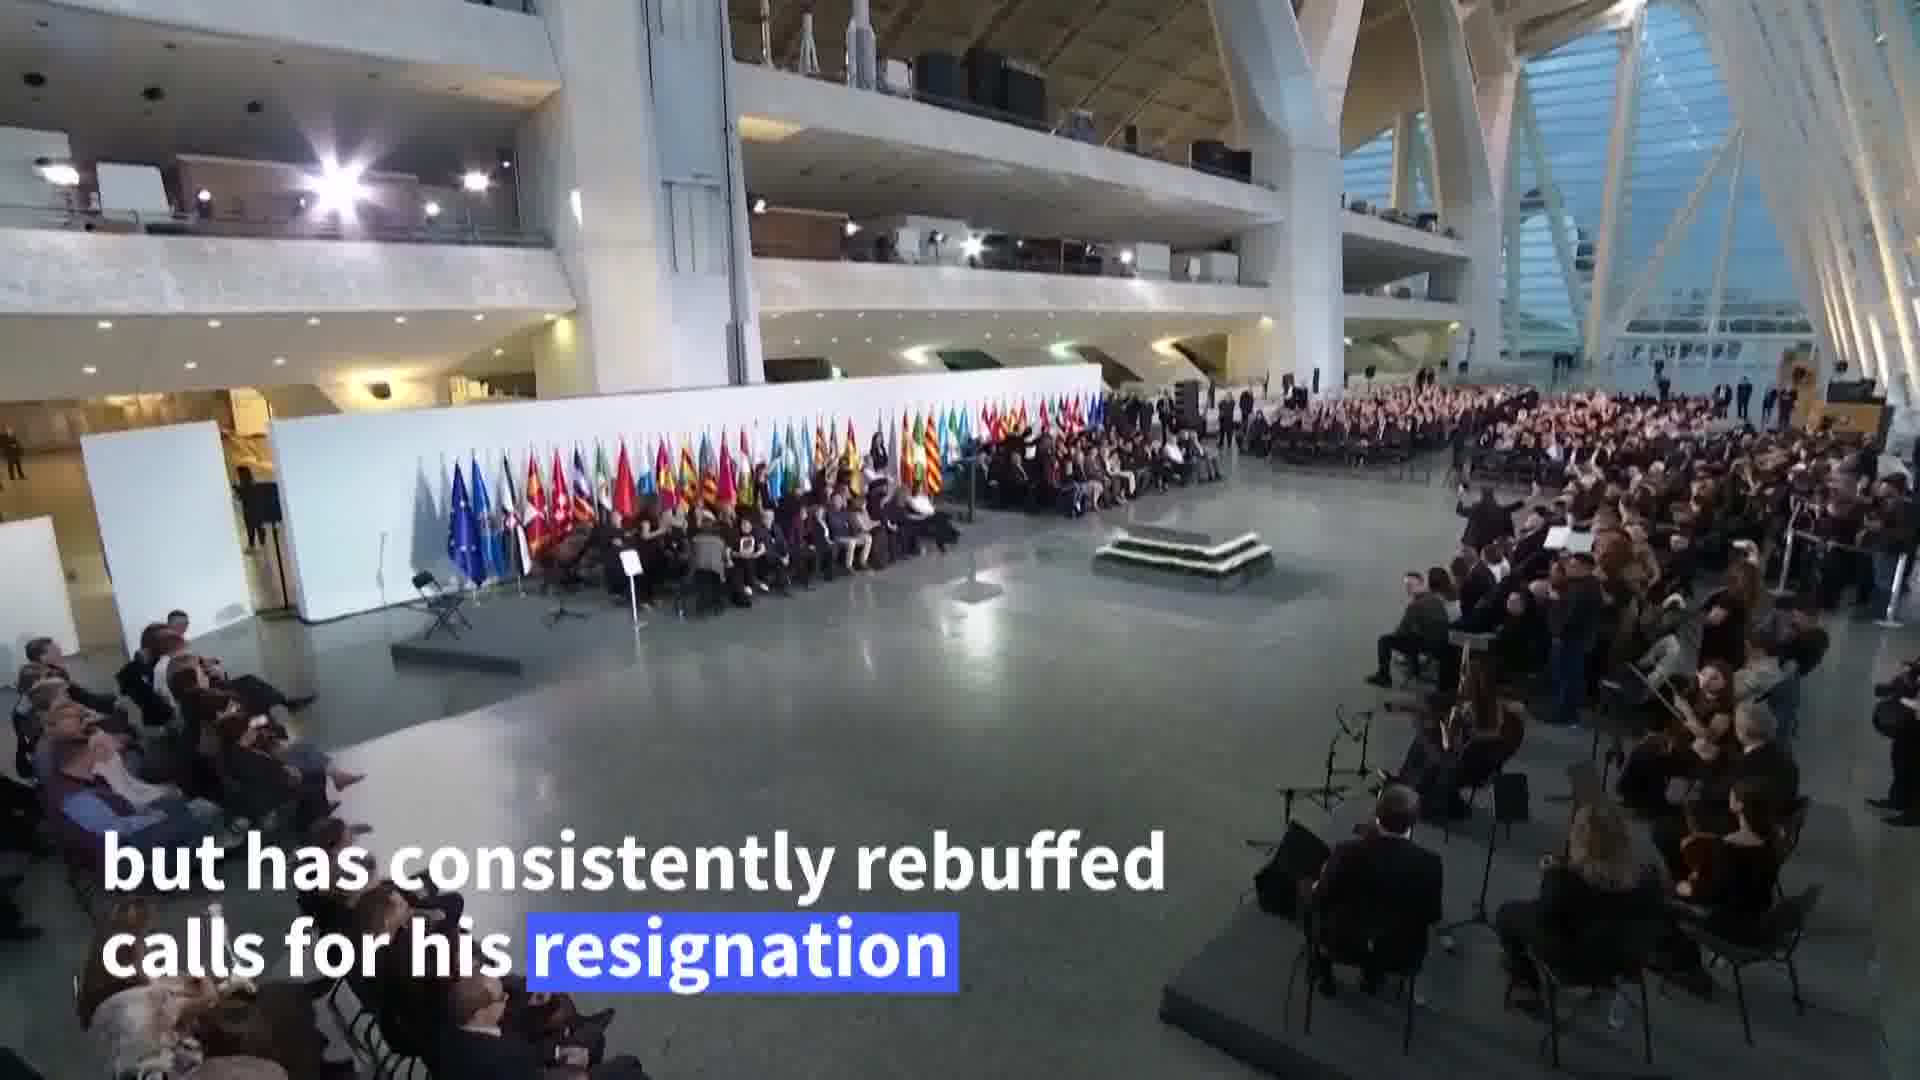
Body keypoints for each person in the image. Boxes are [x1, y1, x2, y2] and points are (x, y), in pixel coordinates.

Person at [1495, 805, 1663, 1017]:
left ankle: (1524, 981)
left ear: (1579, 837)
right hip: (1626, 962)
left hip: (1575, 967)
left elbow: (1545, 917)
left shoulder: (1564, 882)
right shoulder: (1648, 883)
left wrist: (1550, 874)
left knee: (1507, 913)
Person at [1307, 785, 1445, 994]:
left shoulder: (1346, 853)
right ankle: (1373, 977)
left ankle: (1324, 976)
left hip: (1343, 944)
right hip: (1402, 953)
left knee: (1311, 910)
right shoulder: (1431, 863)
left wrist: (1319, 884)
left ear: (1376, 817)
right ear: (1413, 822)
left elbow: (1320, 900)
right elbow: (1432, 915)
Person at [438, 976, 649, 1078]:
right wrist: (577, 1076)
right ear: (481, 1013)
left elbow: (522, 1046)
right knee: (629, 1066)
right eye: (501, 998)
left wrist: (559, 1051)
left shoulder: (453, 1033)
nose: (507, 999)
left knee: (593, 1037)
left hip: (531, 1063)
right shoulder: (500, 1056)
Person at [1366, 571, 1453, 689]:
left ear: (1422, 584)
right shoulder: (1435, 599)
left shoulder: (1415, 604)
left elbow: (1401, 631)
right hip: (1443, 645)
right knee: (1412, 638)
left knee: (1384, 640)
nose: (1408, 589)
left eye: (1411, 585)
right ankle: (1415, 672)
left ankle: (1384, 676)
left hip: (1430, 646)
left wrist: (1397, 644)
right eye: (1407, 586)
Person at [1545, 553, 1604, 727]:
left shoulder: (1584, 589)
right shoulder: (1585, 585)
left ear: (1585, 568)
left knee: (1568, 678)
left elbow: (1570, 618)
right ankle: (1564, 712)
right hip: (1576, 639)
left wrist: (1556, 603)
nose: (1569, 569)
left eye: (1573, 566)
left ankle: (1565, 715)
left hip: (1572, 640)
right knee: (1569, 677)